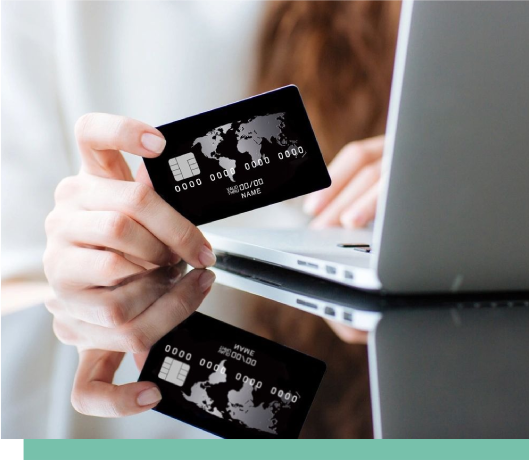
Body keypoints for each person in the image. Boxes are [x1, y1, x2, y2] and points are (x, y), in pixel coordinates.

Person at [0, 0, 399, 438]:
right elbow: (12, 285)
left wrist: (455, 184)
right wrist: (76, 261)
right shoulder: (40, 13)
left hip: (370, 396)